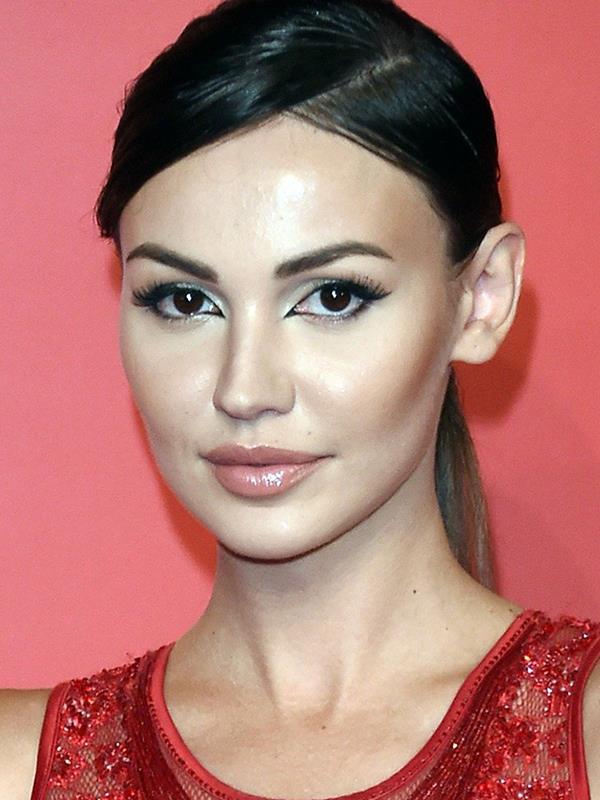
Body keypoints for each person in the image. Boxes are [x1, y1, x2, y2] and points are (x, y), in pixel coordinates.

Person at [2, 0, 599, 796]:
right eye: (185, 300)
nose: (244, 389)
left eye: (332, 297)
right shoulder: (17, 765)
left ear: (482, 296)